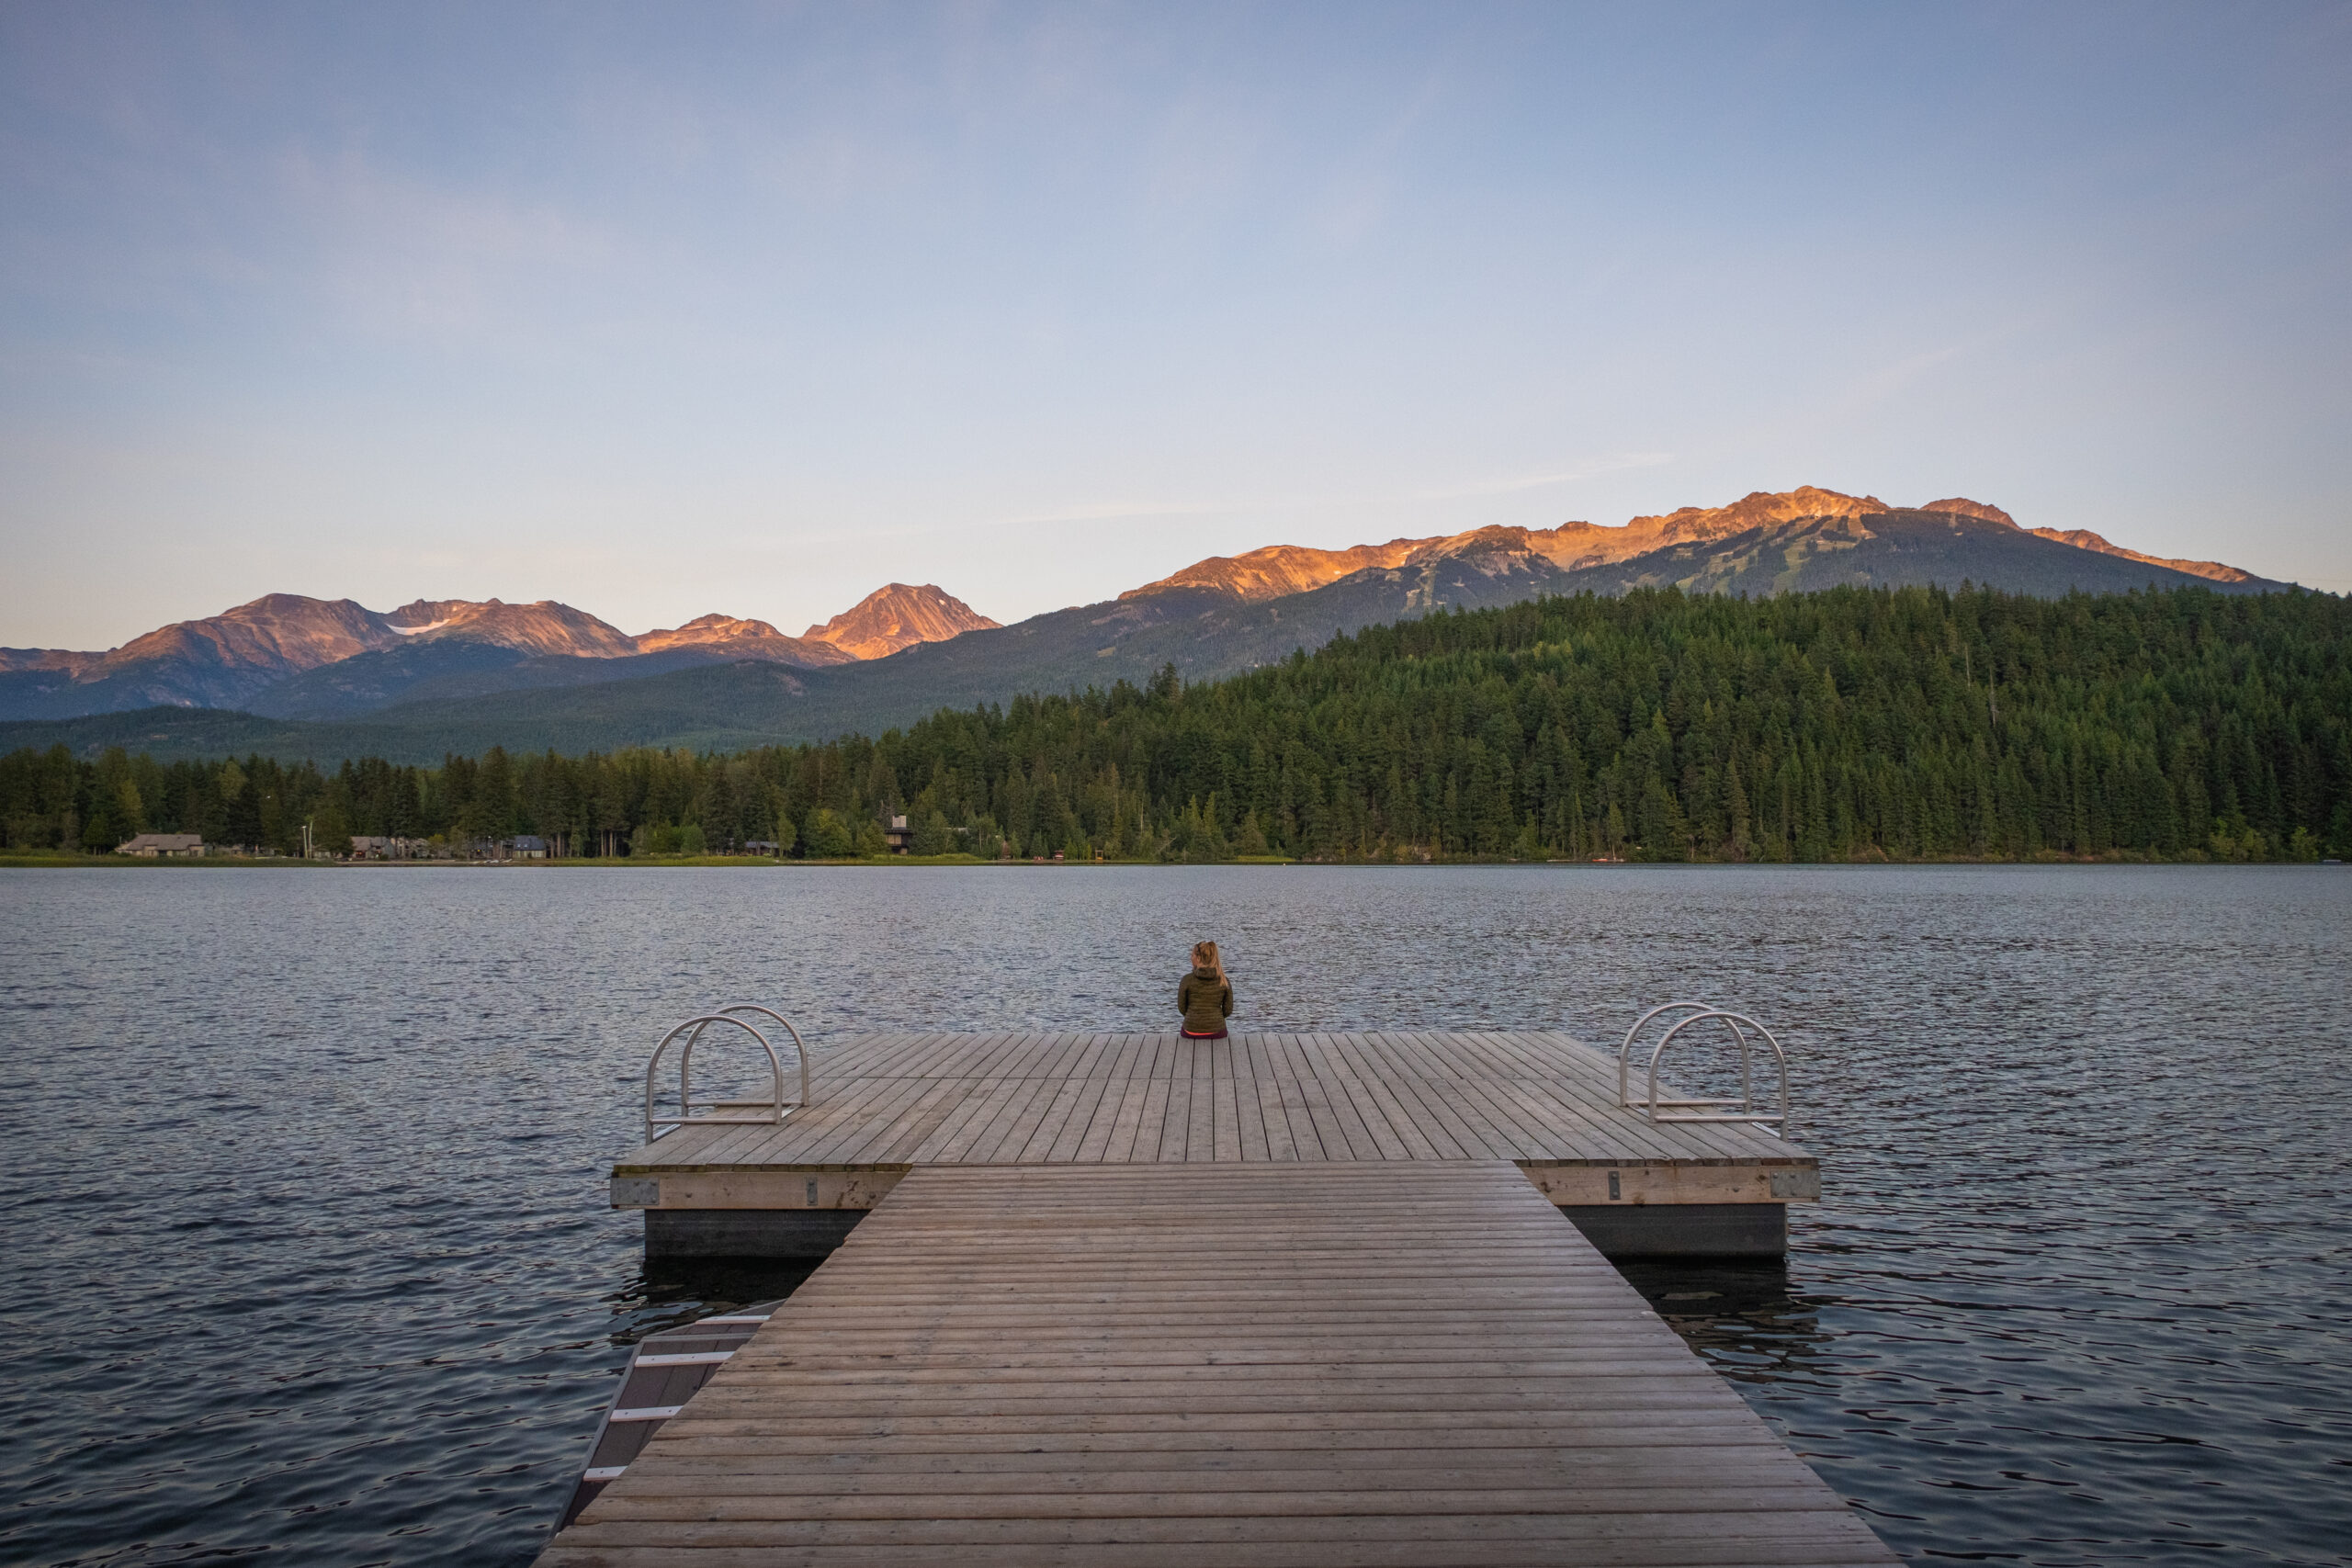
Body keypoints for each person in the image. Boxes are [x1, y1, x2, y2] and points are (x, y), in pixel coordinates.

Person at [1178, 941, 1234, 1040]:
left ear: (1198, 958)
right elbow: (1228, 1010)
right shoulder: (1224, 981)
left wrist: (1194, 1016)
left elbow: (1182, 1008)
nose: (1191, 958)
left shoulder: (1187, 980)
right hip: (1217, 1032)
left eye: (1192, 955)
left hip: (1190, 1031)